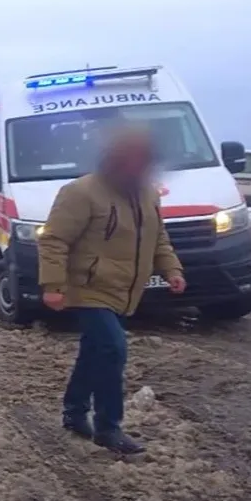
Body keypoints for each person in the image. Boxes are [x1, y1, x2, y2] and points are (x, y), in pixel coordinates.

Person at [37, 127, 185, 455]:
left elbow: (158, 238)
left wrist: (172, 269)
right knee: (113, 348)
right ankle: (108, 427)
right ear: (115, 159)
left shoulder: (148, 193)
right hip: (87, 288)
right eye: (132, 159)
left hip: (124, 290)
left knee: (95, 351)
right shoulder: (81, 191)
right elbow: (54, 239)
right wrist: (53, 286)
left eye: (144, 160)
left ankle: (74, 412)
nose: (139, 166)